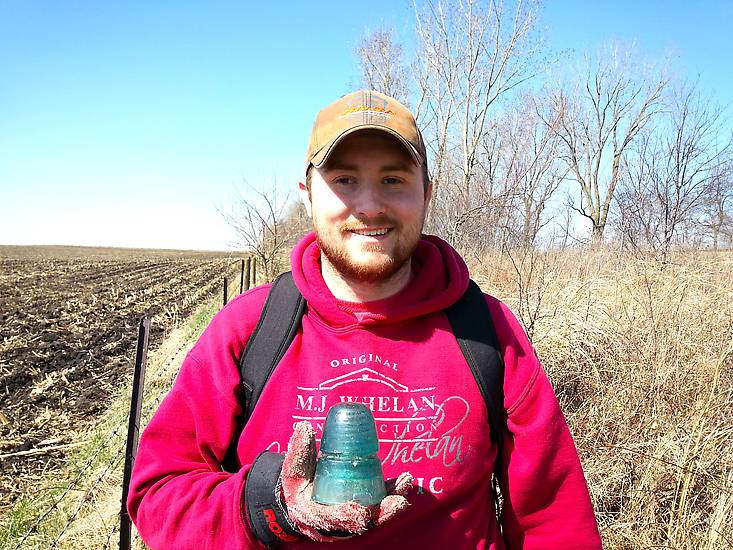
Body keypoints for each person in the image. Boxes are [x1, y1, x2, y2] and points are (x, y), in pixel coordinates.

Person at [128, 90, 602, 549]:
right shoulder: (249, 329)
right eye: (344, 180)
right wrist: (269, 508)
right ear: (307, 195)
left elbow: (554, 519)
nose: (370, 205)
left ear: (426, 194)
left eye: (393, 180)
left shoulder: (487, 331)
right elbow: (158, 495)